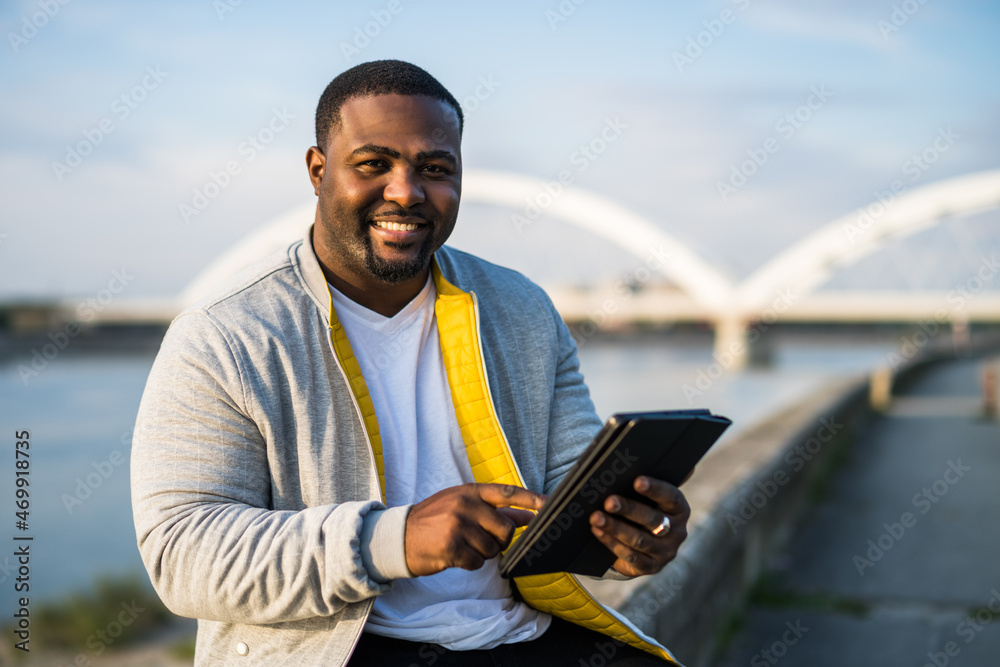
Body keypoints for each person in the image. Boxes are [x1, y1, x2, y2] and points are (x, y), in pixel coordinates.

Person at [131, 59, 691, 666]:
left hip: (522, 636)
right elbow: (181, 553)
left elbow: (568, 493)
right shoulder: (225, 334)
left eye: (435, 169)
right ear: (318, 171)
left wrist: (625, 539)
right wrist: (391, 540)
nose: (406, 191)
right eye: (374, 164)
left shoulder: (521, 309)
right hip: (342, 650)